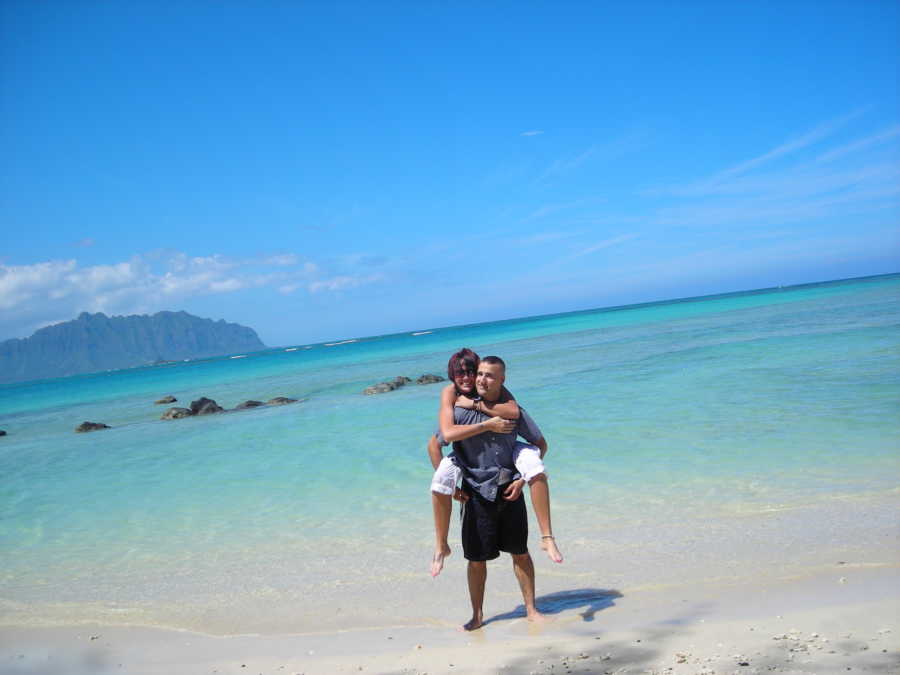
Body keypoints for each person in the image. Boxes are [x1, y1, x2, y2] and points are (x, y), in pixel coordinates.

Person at [438, 354, 555, 630]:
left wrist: (521, 480)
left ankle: (531, 609)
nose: (481, 379)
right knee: (476, 560)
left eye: (489, 375)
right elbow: (436, 442)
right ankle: (477, 616)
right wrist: (451, 486)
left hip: (508, 490)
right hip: (475, 493)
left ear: (502, 381)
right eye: (479, 373)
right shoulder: (460, 409)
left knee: (521, 553)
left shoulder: (512, 410)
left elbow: (540, 444)